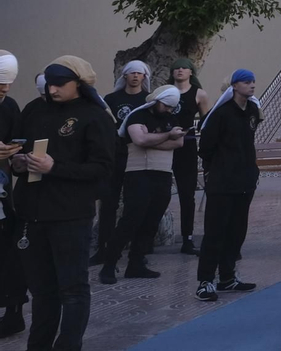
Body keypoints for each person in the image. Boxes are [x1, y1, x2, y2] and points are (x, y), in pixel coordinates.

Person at [8, 57, 115, 351]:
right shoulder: (34, 109)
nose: (51, 89)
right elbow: (18, 148)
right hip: (32, 214)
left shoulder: (95, 116)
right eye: (48, 83)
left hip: (70, 215)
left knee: (73, 289)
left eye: (59, 84)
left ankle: (68, 346)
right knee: (42, 292)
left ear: (78, 84)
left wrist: (55, 167)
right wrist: (17, 162)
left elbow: (103, 169)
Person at [99, 85, 186, 284]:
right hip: (138, 175)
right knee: (130, 221)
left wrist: (153, 139)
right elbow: (139, 139)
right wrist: (166, 136)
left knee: (151, 222)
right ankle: (109, 264)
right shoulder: (137, 116)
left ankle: (136, 263)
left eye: (172, 107)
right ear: (157, 101)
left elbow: (179, 143)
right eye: (166, 106)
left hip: (163, 175)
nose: (169, 110)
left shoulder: (171, 119)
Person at [195, 69, 262, 301]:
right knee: (215, 233)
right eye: (246, 82)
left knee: (236, 232)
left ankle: (227, 277)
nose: (251, 85)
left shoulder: (253, 110)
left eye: (253, 81)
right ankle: (204, 281)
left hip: (245, 182)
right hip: (222, 183)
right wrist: (218, 170)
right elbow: (206, 147)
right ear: (234, 86)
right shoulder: (221, 114)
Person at [93, 59, 150, 263]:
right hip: (114, 157)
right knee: (108, 203)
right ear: (124, 75)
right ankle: (103, 249)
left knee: (135, 204)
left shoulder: (148, 100)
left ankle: (137, 252)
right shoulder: (111, 98)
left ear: (144, 77)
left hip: (138, 158)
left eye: (139, 73)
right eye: (131, 72)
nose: (135, 76)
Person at [168, 57, 209, 256]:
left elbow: (207, 121)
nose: (180, 70)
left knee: (187, 194)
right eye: (176, 68)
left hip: (187, 146)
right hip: (163, 144)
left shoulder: (199, 94)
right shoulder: (164, 92)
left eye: (184, 67)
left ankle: (188, 238)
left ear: (191, 72)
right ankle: (145, 237)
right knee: (157, 193)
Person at [0, 52, 28, 338]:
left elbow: (19, 141)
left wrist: (13, 151)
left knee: (8, 252)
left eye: (8, 85)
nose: (4, 90)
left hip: (2, 192)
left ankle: (12, 312)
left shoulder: (9, 107)